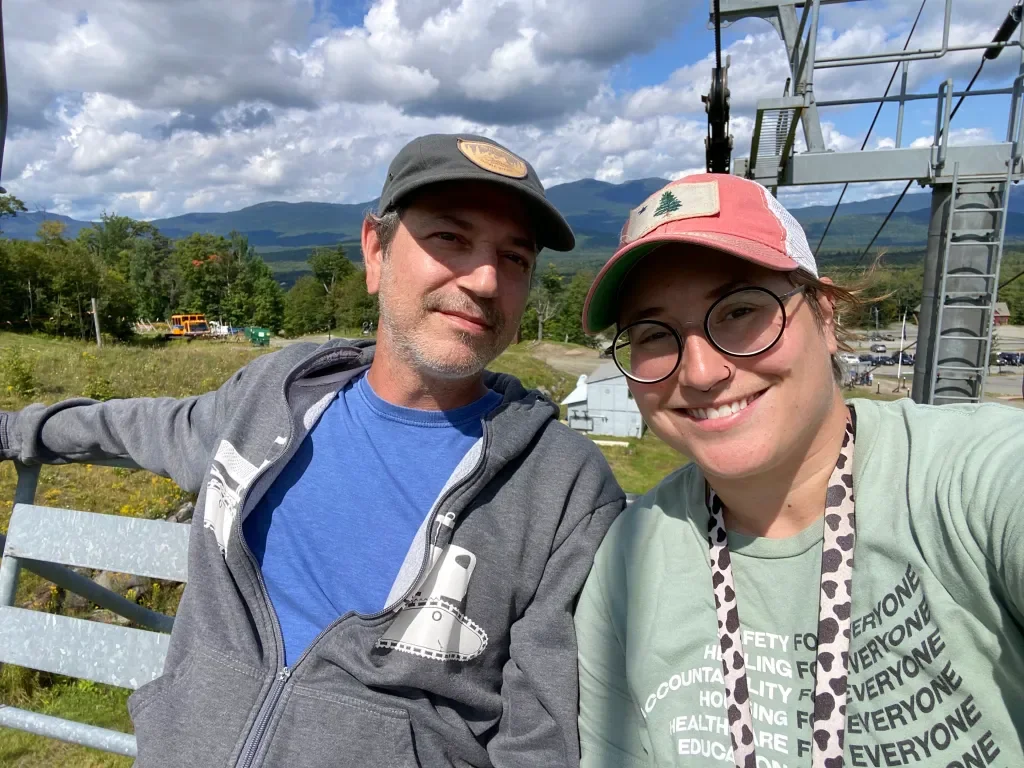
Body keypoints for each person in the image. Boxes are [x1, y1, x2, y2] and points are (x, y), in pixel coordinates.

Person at [0, 134, 624, 768]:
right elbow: (139, 426)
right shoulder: (276, 397)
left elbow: (540, 741)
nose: (487, 279)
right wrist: (12, 431)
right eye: (450, 240)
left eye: (515, 258)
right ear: (375, 251)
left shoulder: (562, 488)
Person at [573, 173, 1024, 767]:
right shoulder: (628, 562)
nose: (702, 372)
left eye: (739, 310)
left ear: (826, 317)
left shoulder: (969, 478)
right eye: (654, 334)